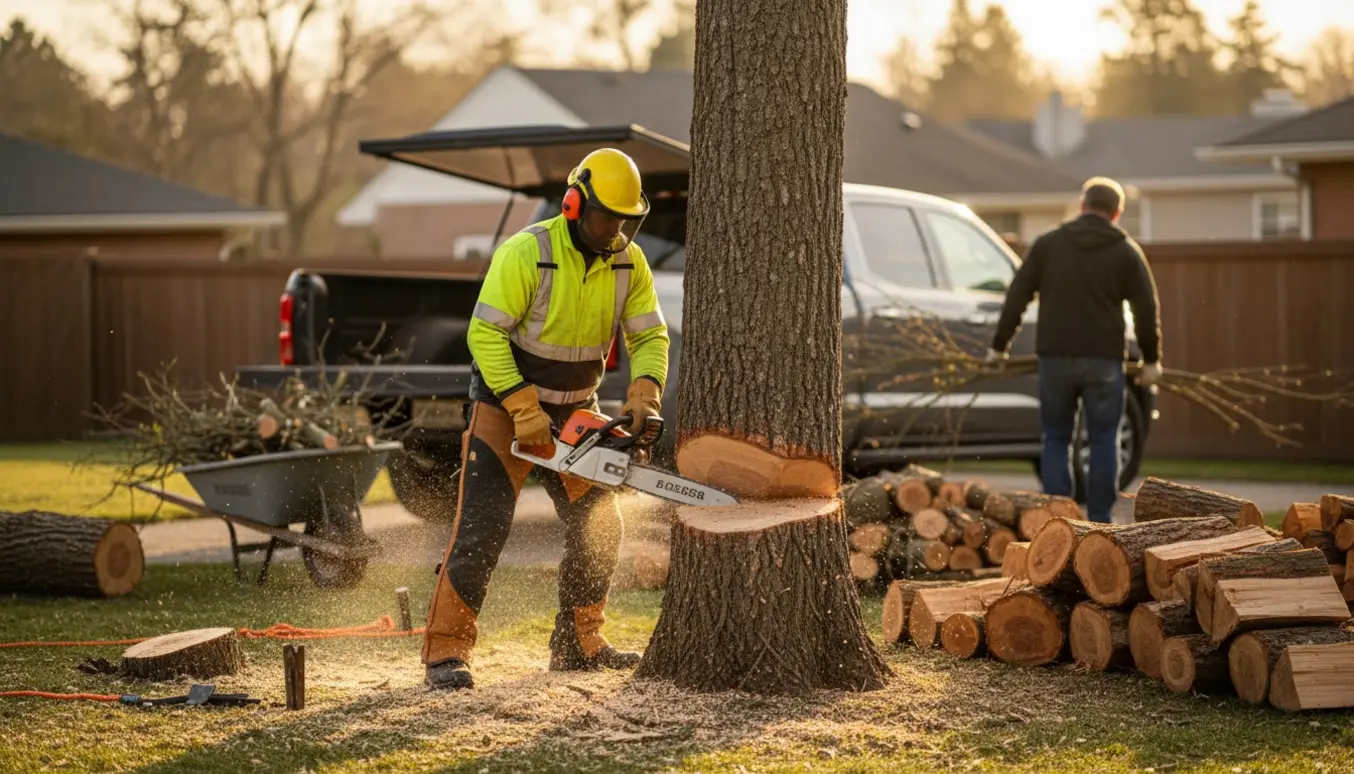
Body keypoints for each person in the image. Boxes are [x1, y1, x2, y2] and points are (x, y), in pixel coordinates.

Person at [422, 148, 670, 690]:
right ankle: (446, 652)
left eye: (627, 220)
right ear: (576, 203)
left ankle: (579, 642)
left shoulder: (630, 263)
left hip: (580, 409)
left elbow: (649, 335)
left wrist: (644, 396)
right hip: (503, 408)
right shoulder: (527, 252)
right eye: (608, 217)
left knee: (600, 522)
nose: (616, 229)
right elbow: (484, 334)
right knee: (483, 528)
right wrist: (523, 409)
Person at [986, 176, 1162, 524]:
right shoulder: (1125, 251)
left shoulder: (1048, 245)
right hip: (1104, 361)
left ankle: (1057, 521)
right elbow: (1146, 308)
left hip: (1055, 357)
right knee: (1103, 440)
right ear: (1117, 213)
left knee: (1055, 438)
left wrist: (998, 347)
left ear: (1082, 206)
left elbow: (1017, 296)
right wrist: (1151, 359)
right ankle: (1098, 521)